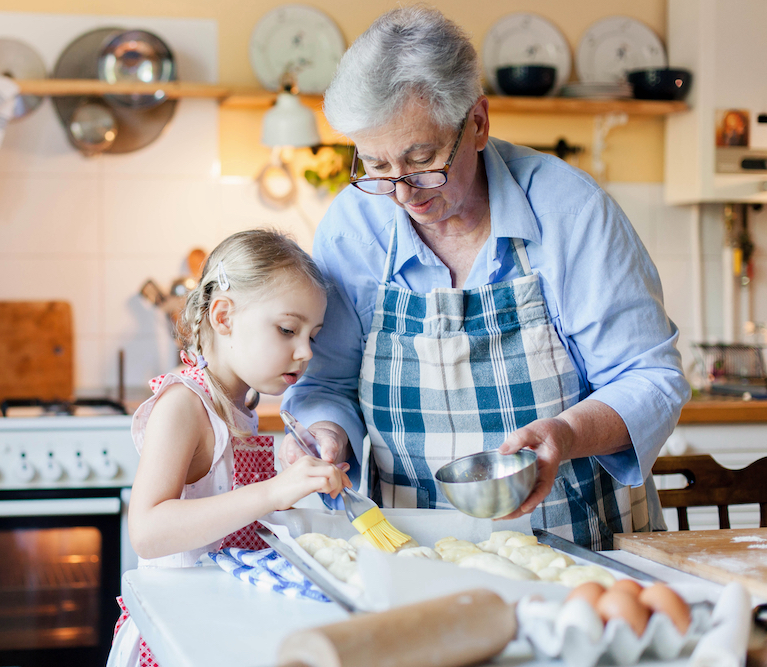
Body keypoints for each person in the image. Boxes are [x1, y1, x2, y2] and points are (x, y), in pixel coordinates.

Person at [280, 5, 689, 551]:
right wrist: (327, 436)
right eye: (376, 167)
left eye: (421, 160)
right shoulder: (353, 229)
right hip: (411, 550)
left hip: (579, 548)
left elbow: (650, 378)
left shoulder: (571, 212)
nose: (403, 194)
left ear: (477, 123)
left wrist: (564, 436)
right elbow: (327, 385)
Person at [108, 229, 351, 667]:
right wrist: (274, 491)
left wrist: (294, 499)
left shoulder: (243, 407)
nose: (305, 351)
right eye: (287, 329)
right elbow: (147, 532)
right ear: (223, 317)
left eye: (312, 336)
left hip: (223, 628)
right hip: (178, 635)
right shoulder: (184, 404)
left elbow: (230, 518)